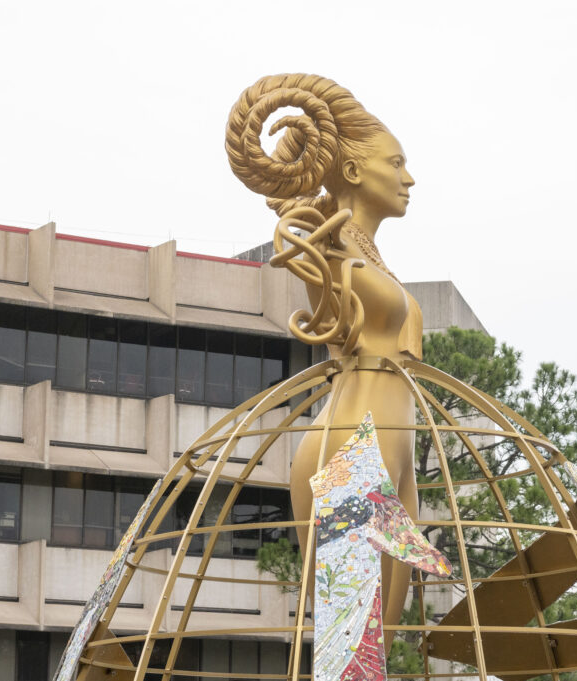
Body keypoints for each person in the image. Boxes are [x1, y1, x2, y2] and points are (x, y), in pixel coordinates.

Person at [226, 73, 425, 648]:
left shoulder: (368, 254)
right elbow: (320, 287)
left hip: (392, 450)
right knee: (356, 649)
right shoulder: (330, 245)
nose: (409, 178)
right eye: (398, 162)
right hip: (353, 451)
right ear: (357, 173)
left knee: (375, 645)